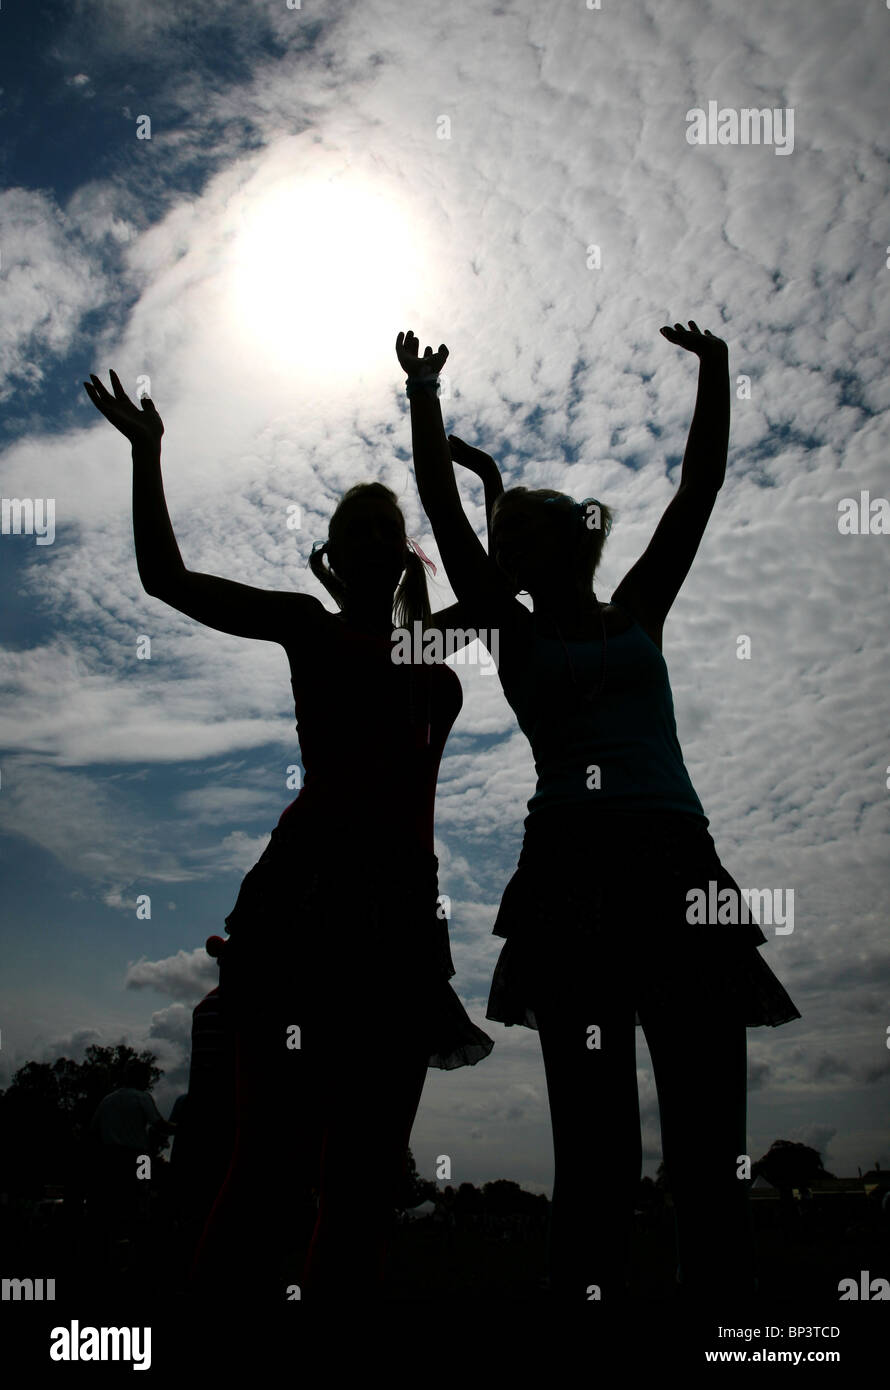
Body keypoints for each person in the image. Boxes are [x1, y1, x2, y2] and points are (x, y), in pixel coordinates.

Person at [395, 322, 801, 1303]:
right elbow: (449, 525)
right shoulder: (509, 632)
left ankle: (728, 1326)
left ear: (577, 538)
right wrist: (421, 397)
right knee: (598, 1158)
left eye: (539, 528)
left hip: (676, 862)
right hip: (570, 877)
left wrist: (714, 370)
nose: (525, 546)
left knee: (710, 1151)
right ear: (516, 566)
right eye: (513, 541)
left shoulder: (637, 606)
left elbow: (695, 488)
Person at [82, 369, 493, 1304]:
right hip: (303, 906)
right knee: (266, 1168)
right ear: (333, 557)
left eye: (385, 531)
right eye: (352, 532)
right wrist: (148, 457)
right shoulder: (309, 627)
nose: (368, 543)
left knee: (358, 1190)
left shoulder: (428, 655)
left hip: (397, 920)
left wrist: (441, 426)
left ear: (404, 558)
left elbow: (499, 594)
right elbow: (166, 579)